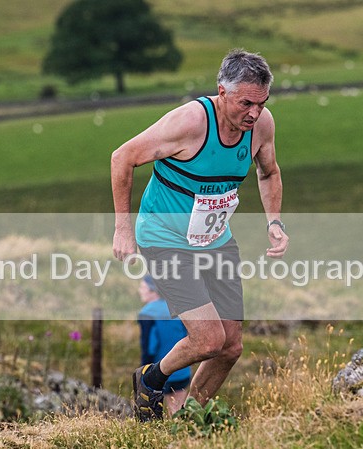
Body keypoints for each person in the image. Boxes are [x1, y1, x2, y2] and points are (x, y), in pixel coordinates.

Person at [111, 49, 289, 421]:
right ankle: (151, 378)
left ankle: (191, 420)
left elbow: (268, 172)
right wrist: (123, 228)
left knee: (230, 347)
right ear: (221, 92)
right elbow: (122, 157)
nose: (254, 113)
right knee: (208, 339)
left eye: (261, 103)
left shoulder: (261, 125)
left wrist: (274, 222)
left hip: (214, 239)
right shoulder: (189, 123)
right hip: (164, 238)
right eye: (246, 103)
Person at [138, 275, 191, 415]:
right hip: (183, 370)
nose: (140, 291)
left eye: (142, 287)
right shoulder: (176, 308)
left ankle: (175, 434)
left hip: (161, 370)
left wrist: (144, 371)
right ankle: (186, 431)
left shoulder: (146, 313)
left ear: (152, 290)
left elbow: (149, 346)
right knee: (178, 408)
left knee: (155, 412)